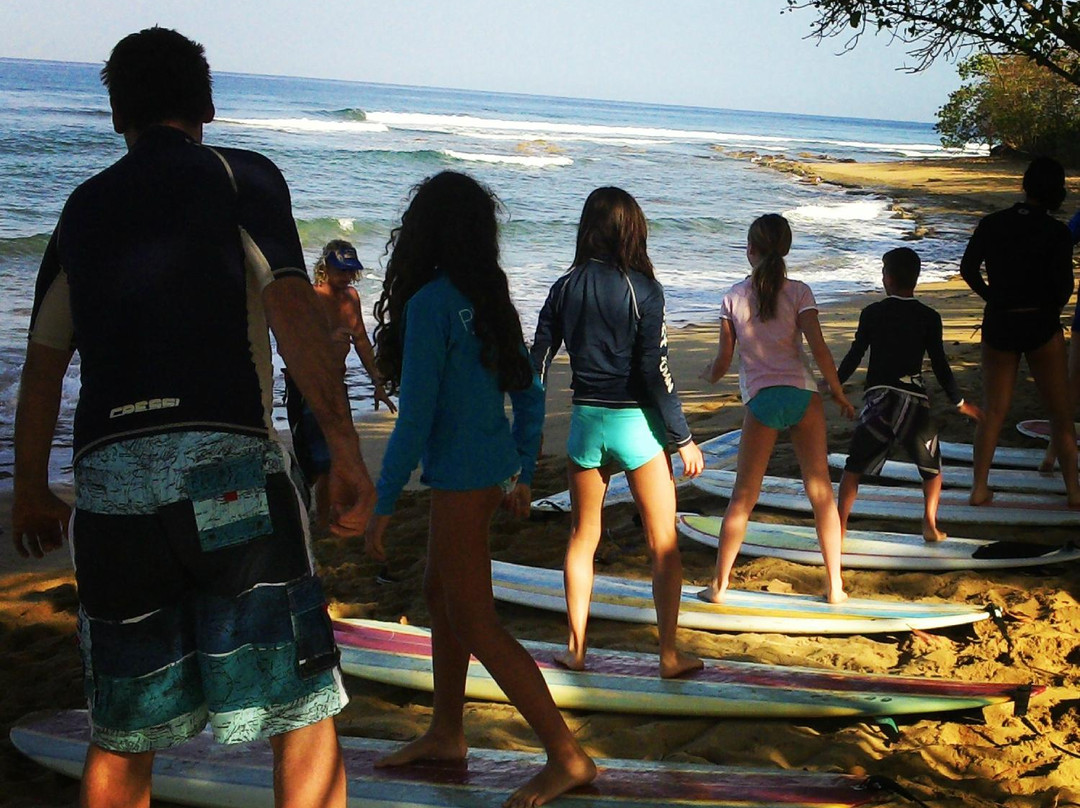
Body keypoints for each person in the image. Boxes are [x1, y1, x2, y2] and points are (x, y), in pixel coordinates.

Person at [11, 28, 374, 808]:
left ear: (117, 115)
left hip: (111, 494)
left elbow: (43, 364)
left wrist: (32, 488)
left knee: (124, 734)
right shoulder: (241, 177)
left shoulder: (80, 209)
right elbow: (291, 311)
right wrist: (344, 451)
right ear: (207, 105)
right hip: (227, 474)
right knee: (300, 710)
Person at [363, 171, 596, 808]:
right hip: (487, 472)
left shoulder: (430, 304)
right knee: (440, 596)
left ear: (423, 233)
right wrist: (520, 468)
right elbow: (530, 392)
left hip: (463, 479)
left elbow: (414, 419)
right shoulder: (488, 298)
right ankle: (447, 731)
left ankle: (567, 755)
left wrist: (384, 503)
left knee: (474, 619)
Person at [531, 186, 705, 680]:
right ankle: (668, 655)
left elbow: (537, 362)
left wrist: (528, 428)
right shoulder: (644, 289)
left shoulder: (563, 286)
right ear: (633, 231)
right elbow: (655, 371)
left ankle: (575, 650)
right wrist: (683, 438)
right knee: (662, 541)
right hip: (637, 428)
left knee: (582, 536)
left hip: (586, 424)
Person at [699, 214, 854, 605]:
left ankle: (719, 585)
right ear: (786, 248)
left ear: (750, 249)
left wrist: (708, 376)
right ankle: (835, 586)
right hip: (803, 395)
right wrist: (837, 392)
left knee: (743, 497)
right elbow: (820, 350)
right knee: (820, 491)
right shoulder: (800, 292)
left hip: (762, 401)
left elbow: (723, 361)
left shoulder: (733, 297)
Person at [835, 247, 982, 542]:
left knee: (854, 468)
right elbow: (940, 365)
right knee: (931, 469)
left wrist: (835, 386)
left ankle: (838, 527)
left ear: (888, 278)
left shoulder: (872, 313)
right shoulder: (929, 317)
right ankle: (929, 523)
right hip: (913, 404)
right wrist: (959, 401)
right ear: (915, 278)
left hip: (879, 402)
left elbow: (855, 355)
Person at [959, 156, 1080, 507]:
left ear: (1025, 186)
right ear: (1057, 192)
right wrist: (1048, 311)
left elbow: (968, 269)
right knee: (1060, 413)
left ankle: (979, 488)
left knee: (994, 410)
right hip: (1040, 323)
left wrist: (993, 298)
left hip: (1000, 322)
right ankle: (1074, 493)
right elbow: (1064, 287)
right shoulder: (1057, 233)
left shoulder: (992, 223)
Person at [285, 239, 396, 535]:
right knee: (316, 464)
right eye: (341, 270)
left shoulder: (351, 297)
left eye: (350, 271)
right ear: (325, 268)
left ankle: (330, 520)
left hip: (336, 387)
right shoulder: (310, 297)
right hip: (307, 388)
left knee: (340, 454)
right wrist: (327, 338)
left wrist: (377, 382)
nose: (347, 276)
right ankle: (315, 521)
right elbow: (292, 344)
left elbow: (361, 341)